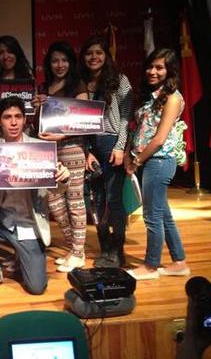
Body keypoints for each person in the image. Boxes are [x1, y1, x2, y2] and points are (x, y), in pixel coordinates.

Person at [0, 96, 70, 296]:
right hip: (1, 219)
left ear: (25, 119)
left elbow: (57, 190)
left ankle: (24, 255)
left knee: (36, 288)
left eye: (18, 117)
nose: (13, 122)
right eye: (7, 117)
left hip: (29, 224)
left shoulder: (39, 149)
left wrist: (63, 179)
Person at [125, 49, 190, 280]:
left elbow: (160, 138)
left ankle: (151, 266)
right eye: (150, 66)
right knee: (163, 214)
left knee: (152, 216)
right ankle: (179, 262)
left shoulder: (173, 98)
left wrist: (137, 161)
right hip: (148, 160)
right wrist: (130, 153)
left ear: (170, 70)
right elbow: (139, 130)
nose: (152, 71)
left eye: (159, 67)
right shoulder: (151, 95)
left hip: (159, 161)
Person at [33, 41, 88, 272]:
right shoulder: (44, 87)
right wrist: (36, 106)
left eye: (64, 60)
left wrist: (61, 136)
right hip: (48, 152)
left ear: (70, 62)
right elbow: (39, 122)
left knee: (74, 201)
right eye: (55, 60)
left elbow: (84, 121)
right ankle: (72, 248)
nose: (60, 65)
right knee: (55, 202)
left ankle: (79, 253)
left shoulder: (78, 85)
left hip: (72, 148)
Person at [79, 35, 132, 268]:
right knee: (96, 200)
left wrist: (120, 147)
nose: (94, 57)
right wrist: (86, 150)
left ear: (106, 56)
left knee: (114, 200)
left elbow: (126, 117)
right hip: (90, 145)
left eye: (98, 53)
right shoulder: (79, 82)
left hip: (111, 143)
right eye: (89, 53)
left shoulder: (120, 80)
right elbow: (76, 120)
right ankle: (105, 248)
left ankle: (118, 250)